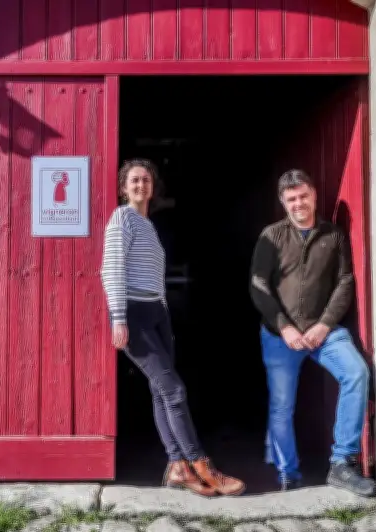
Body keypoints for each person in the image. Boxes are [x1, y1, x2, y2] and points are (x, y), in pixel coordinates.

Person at [101, 158, 245, 497]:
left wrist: (163, 312)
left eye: (146, 180)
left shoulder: (146, 224)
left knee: (160, 391)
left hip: (155, 313)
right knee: (174, 391)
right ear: (124, 187)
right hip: (134, 313)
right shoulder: (122, 218)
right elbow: (112, 269)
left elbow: (152, 276)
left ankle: (178, 468)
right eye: (134, 180)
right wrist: (119, 318)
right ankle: (202, 465)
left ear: (153, 187)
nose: (141, 186)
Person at [248, 169, 376, 497]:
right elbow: (258, 284)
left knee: (356, 373)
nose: (298, 203)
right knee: (281, 405)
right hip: (280, 336)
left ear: (314, 195)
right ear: (283, 202)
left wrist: (323, 324)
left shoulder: (333, 236)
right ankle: (288, 473)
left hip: (324, 331)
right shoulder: (271, 236)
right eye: (291, 199)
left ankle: (342, 463)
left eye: (303, 196)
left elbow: (345, 280)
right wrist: (284, 326)